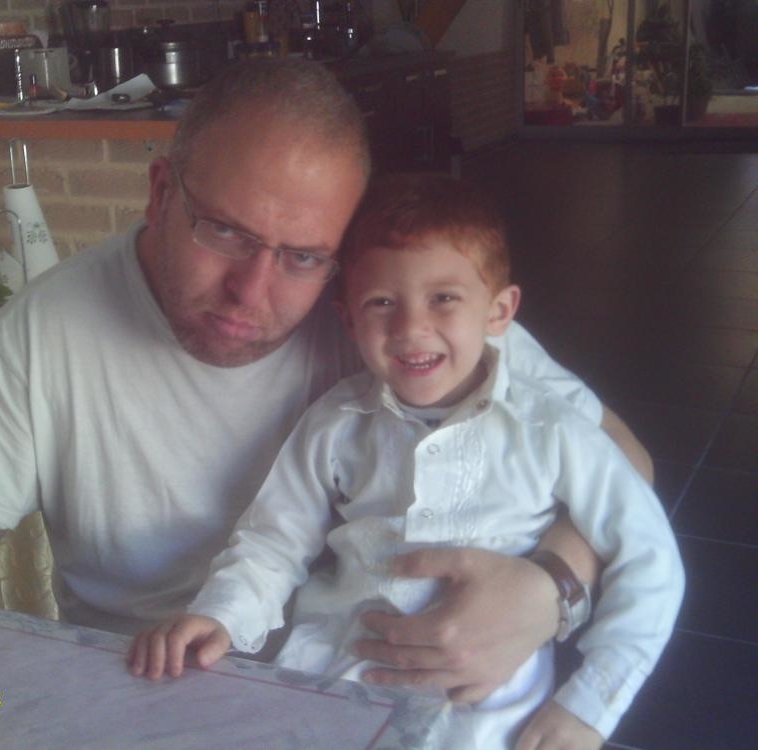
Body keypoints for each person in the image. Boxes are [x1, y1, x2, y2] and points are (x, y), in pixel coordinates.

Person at [0, 58, 650, 700]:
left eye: (303, 256)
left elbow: (626, 458)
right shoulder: (43, 328)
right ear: (161, 193)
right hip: (141, 691)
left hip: (353, 688)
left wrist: (551, 586)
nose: (252, 292)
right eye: (225, 232)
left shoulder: (389, 315)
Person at [128, 174, 684, 750]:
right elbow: (274, 539)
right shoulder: (335, 422)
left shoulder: (553, 430)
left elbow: (651, 560)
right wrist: (221, 614)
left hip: (484, 720)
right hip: (332, 692)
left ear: (499, 312)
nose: (411, 328)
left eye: (444, 298)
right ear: (349, 319)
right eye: (382, 302)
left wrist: (588, 707)